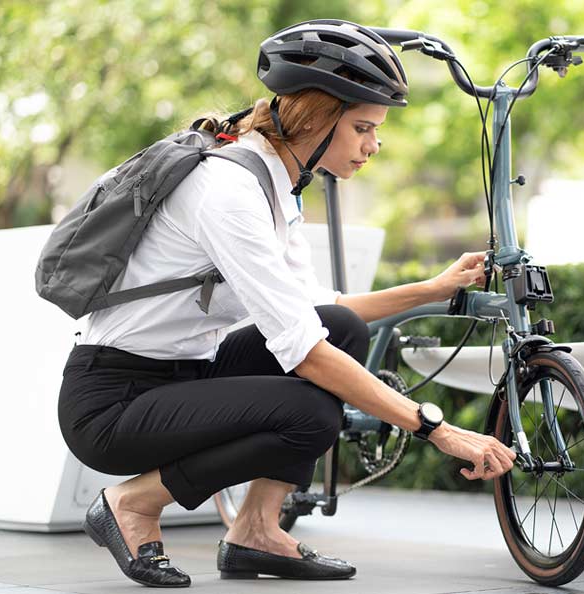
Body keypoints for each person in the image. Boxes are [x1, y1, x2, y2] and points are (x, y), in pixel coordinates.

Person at [58, 19, 516, 588]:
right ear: (316, 117)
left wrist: (433, 288)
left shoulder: (274, 185)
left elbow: (318, 308)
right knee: (312, 409)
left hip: (186, 376)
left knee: (340, 326)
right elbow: (303, 353)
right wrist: (436, 428)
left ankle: (255, 529)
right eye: (364, 128)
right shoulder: (228, 191)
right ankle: (131, 503)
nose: (374, 146)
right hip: (114, 401)